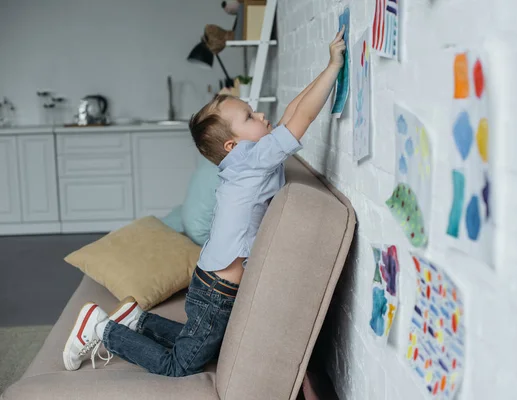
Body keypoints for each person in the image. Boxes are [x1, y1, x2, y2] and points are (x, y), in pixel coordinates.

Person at [62, 26, 347, 377]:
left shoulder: (244, 160)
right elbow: (301, 118)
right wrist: (333, 67)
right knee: (180, 364)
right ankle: (101, 329)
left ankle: (136, 320)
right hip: (217, 292)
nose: (260, 116)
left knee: (195, 342)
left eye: (253, 111)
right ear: (232, 144)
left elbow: (291, 111)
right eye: (249, 117)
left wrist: (325, 67)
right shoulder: (253, 158)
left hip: (211, 282)